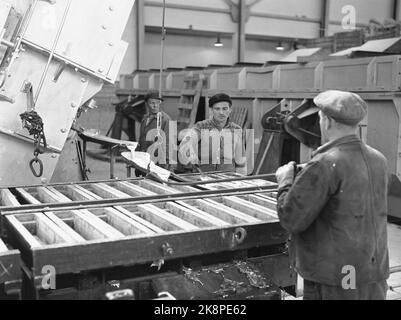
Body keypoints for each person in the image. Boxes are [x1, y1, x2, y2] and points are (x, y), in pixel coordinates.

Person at [275, 90, 389, 300]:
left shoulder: (324, 164)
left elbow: (291, 219)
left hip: (336, 279)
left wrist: (285, 181)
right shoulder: (378, 159)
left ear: (326, 121)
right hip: (372, 273)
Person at [179, 93, 247, 174]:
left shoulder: (237, 129)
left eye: (225, 109)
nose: (221, 112)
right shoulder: (201, 126)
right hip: (204, 177)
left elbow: (241, 161)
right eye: (217, 109)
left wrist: (241, 180)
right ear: (211, 110)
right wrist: (190, 154)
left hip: (228, 178)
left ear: (230, 110)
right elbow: (186, 141)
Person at [137, 91, 171, 168]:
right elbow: (141, 139)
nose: (155, 105)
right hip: (144, 160)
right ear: (146, 104)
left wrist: (166, 166)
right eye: (152, 103)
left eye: (158, 103)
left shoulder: (166, 120)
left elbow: (169, 145)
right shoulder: (145, 119)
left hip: (158, 163)